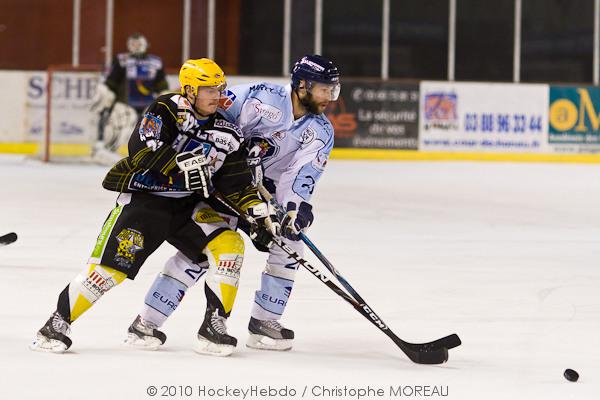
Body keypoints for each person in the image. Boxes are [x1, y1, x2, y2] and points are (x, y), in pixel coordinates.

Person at [30, 58, 276, 357]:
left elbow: (235, 182)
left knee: (230, 244)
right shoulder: (166, 109)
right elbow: (143, 151)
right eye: (208, 89)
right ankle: (56, 325)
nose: (216, 94)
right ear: (189, 90)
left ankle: (214, 326)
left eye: (219, 88)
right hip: (145, 203)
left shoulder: (229, 133)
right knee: (110, 271)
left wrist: (257, 211)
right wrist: (180, 170)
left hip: (187, 208)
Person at [132, 54, 340, 351]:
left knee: (291, 245)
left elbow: (301, 175)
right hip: (225, 185)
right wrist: (231, 165)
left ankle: (264, 323)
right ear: (303, 85)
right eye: (324, 89)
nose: (329, 97)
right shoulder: (259, 97)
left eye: (333, 89)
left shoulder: (321, 131)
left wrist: (296, 208)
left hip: (263, 195)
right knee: (204, 252)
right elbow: (211, 124)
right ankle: (147, 322)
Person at [91, 33, 169, 164]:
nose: (136, 47)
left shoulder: (155, 62)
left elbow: (160, 83)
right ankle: (107, 150)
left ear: (145, 44)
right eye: (133, 44)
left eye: (139, 44)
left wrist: (163, 94)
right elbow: (112, 81)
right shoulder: (122, 60)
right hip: (125, 103)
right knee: (120, 128)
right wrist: (108, 93)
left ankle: (150, 155)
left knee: (151, 131)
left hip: (148, 104)